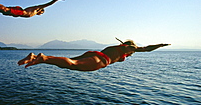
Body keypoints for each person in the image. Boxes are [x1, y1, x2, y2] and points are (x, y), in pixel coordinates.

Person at [18, 38, 171, 71]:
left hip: (94, 53)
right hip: (100, 60)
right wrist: (160, 45)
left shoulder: (119, 48)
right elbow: (146, 49)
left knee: (69, 64)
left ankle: (38, 59)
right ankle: (43, 57)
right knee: (72, 64)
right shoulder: (127, 49)